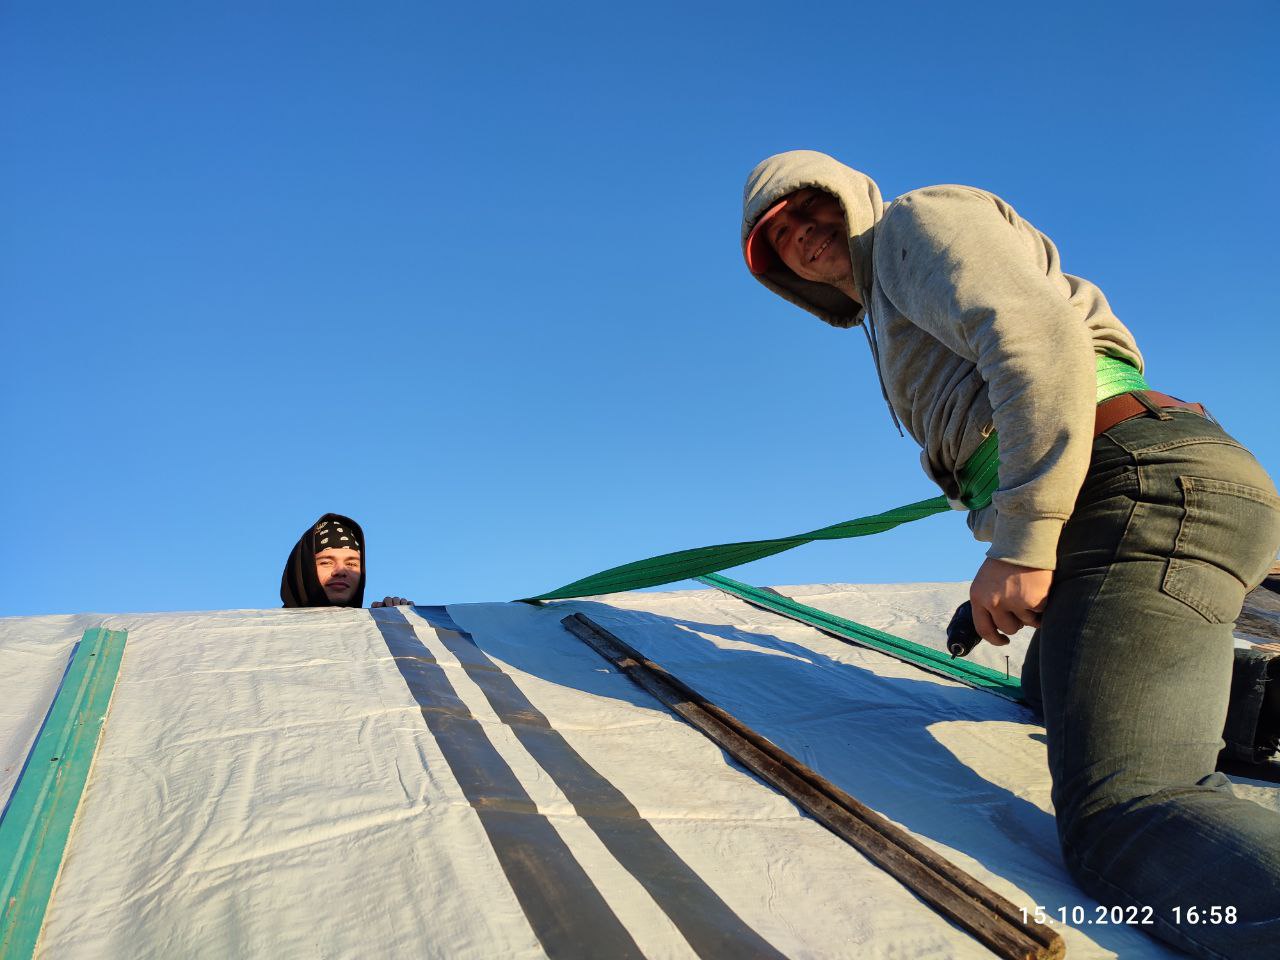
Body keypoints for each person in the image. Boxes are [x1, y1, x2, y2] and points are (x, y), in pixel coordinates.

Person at [740, 150, 1280, 958]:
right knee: (1044, 691)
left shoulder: (915, 224)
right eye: (778, 236)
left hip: (1134, 484)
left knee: (1130, 811)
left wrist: (1025, 542)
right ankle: (1249, 700)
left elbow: (1035, 337)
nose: (802, 232)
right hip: (1140, 484)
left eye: (809, 205)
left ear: (851, 197)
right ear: (781, 273)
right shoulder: (891, 301)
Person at [279, 513, 412, 609]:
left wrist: (396, 626)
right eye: (326, 562)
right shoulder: (271, 632)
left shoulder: (373, 631)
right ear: (304, 569)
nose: (341, 571)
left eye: (351, 564)